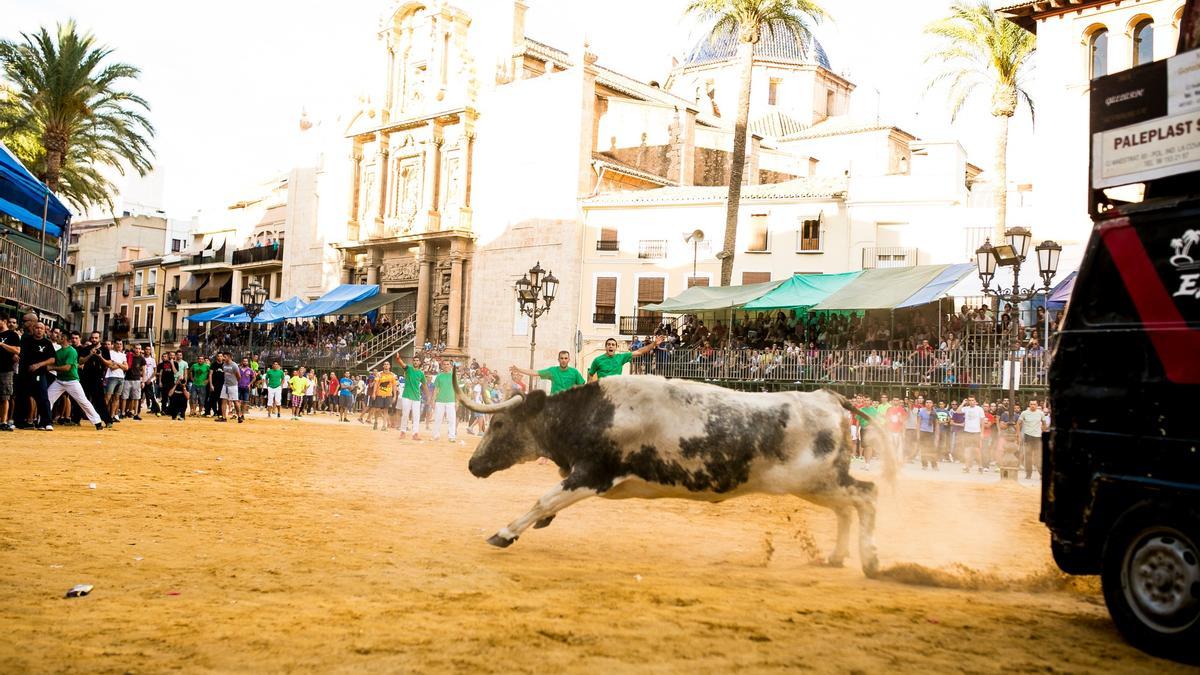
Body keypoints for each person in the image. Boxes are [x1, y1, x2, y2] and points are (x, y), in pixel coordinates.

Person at [46, 331, 103, 430]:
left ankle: (97, 422)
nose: (56, 337)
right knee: (48, 399)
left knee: (83, 401)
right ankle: (45, 421)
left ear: (64, 338)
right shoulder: (58, 352)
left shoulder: (72, 351)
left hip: (72, 381)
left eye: (58, 336)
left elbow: (67, 367)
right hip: (60, 380)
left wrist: (51, 368)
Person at [19, 322, 57, 430]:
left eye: (41, 328)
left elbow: (52, 359)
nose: (39, 330)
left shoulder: (47, 343)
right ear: (33, 329)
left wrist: (39, 364)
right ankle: (25, 421)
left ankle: (46, 422)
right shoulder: (26, 341)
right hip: (26, 374)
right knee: (25, 397)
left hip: (40, 374)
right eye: (37, 328)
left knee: (43, 398)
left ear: (44, 330)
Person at [588, 335, 664, 381]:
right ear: (606, 347)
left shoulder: (621, 357)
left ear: (616, 347)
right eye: (608, 344)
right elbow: (590, 374)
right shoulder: (597, 360)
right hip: (602, 392)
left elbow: (639, 352)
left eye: (613, 344)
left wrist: (654, 343)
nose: (610, 346)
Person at [510, 350, 585, 395]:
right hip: (555, 403)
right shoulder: (552, 371)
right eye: (561, 358)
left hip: (569, 404)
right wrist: (519, 370)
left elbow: (583, 387)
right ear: (558, 359)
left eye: (565, 358)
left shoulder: (574, 372)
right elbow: (535, 373)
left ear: (569, 360)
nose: (563, 360)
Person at [395, 352, 426, 439]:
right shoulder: (408, 369)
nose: (415, 362)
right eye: (414, 360)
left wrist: (429, 396)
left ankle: (415, 433)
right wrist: (398, 359)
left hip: (416, 397)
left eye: (417, 360)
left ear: (420, 363)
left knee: (416, 416)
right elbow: (402, 364)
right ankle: (403, 432)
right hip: (407, 396)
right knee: (405, 414)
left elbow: (424, 385)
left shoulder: (421, 373)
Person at [1017, 399, 1048, 479]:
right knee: (1028, 456)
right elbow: (1018, 423)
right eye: (1031, 404)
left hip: (1037, 437)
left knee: (1038, 456)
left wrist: (1043, 430)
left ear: (1037, 405)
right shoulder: (1024, 413)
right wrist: (1018, 435)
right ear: (1029, 405)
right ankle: (1028, 474)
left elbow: (1044, 424)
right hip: (1028, 436)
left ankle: (1041, 473)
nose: (1033, 405)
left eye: (1034, 404)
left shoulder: (1040, 413)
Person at [430, 361, 459, 442]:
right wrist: (433, 400)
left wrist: (457, 401)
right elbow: (436, 389)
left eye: (448, 364)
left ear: (450, 366)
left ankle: (451, 436)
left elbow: (457, 389)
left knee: (452, 419)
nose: (446, 366)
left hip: (451, 401)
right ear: (442, 366)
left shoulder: (454, 377)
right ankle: (436, 435)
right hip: (440, 401)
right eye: (444, 364)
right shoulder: (439, 376)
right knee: (438, 419)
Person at [0, 316, 19, 431]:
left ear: (4, 321)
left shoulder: (12, 335)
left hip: (6, 369)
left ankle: (3, 421)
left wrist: (2, 345)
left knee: (5, 396)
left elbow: (17, 350)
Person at [959, 396, 985, 473]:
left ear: (975, 401)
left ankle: (980, 467)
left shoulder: (979, 409)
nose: (971, 402)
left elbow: (982, 421)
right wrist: (963, 403)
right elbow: (958, 411)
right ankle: (967, 467)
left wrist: (982, 432)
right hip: (967, 431)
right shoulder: (966, 408)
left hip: (976, 432)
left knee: (977, 450)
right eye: (969, 400)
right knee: (967, 450)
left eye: (972, 400)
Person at [104, 339, 128, 422]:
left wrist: (117, 363)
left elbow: (127, 367)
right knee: (108, 397)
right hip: (112, 377)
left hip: (121, 377)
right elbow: (111, 367)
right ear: (114, 344)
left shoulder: (123, 355)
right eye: (117, 344)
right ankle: (104, 415)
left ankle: (112, 415)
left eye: (120, 344)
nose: (119, 345)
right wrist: (121, 365)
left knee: (117, 398)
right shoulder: (110, 353)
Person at [370, 361, 398, 431]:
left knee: (386, 410)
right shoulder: (379, 374)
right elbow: (376, 384)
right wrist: (374, 393)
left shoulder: (393, 375)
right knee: (377, 409)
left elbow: (394, 386)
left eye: (387, 364)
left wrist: (394, 396)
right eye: (385, 364)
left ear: (389, 366)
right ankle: (376, 421)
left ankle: (384, 426)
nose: (386, 365)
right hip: (379, 394)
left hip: (388, 395)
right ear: (383, 366)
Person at [122, 344, 146, 421]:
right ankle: (123, 413)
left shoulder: (142, 359)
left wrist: (143, 381)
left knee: (136, 398)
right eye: (136, 348)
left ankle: (136, 414)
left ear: (141, 350)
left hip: (137, 379)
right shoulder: (128, 356)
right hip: (127, 379)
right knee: (124, 397)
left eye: (139, 348)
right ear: (134, 349)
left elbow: (144, 371)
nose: (137, 350)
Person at [918, 399, 938, 470]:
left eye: (930, 402)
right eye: (927, 402)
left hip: (931, 433)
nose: (928, 404)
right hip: (922, 432)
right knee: (923, 449)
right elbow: (918, 423)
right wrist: (918, 433)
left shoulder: (934, 412)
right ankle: (924, 465)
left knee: (932, 450)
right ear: (925, 403)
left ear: (932, 404)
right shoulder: (921, 411)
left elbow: (937, 425)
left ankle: (934, 465)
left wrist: (937, 435)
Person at [236, 357, 254, 423]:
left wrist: (250, 384)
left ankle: (242, 414)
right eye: (244, 361)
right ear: (242, 362)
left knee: (245, 402)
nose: (245, 362)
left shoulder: (250, 370)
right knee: (238, 401)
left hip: (246, 387)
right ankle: (239, 414)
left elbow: (254, 378)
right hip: (239, 386)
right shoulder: (238, 369)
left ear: (248, 362)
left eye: (246, 361)